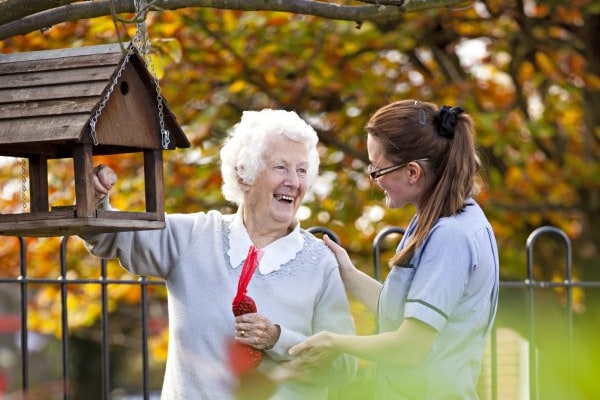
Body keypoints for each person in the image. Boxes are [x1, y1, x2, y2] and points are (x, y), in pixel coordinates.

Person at [80, 109, 357, 400]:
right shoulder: (194, 236)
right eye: (280, 167)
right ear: (244, 173)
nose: (293, 181)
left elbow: (344, 367)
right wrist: (96, 196)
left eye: (302, 170)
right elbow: (110, 237)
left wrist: (277, 338)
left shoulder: (319, 262)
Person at [285, 100, 499, 399]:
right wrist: (347, 273)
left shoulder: (451, 236)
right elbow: (403, 315)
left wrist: (336, 342)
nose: (374, 179)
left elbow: (410, 348)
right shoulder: (436, 221)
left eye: (377, 169)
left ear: (412, 172)